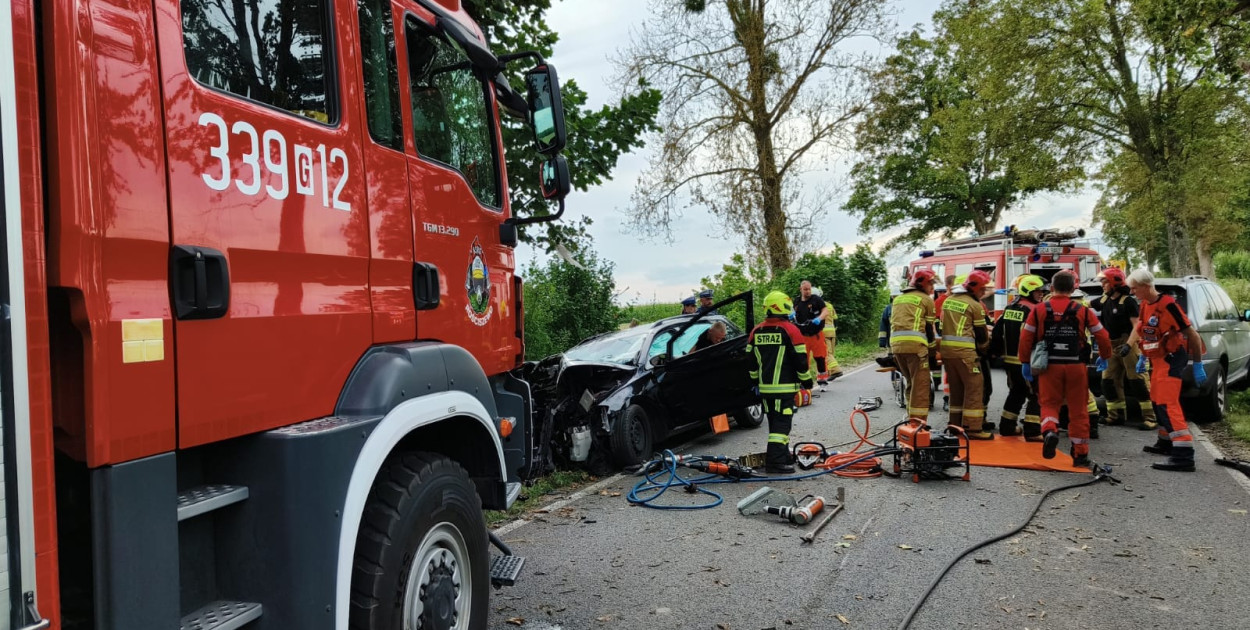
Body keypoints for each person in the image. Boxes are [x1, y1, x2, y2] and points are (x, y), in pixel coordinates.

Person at [1018, 271, 1112, 467]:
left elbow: (1026, 338)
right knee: (1079, 410)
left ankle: (1050, 430)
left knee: (1049, 404)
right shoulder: (1083, 310)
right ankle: (1080, 454)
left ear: (1051, 289)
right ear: (1073, 289)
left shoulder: (1039, 309)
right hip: (1076, 365)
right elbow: (1102, 336)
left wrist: (1025, 362)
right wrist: (1105, 356)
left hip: (1049, 366)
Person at [1126, 269, 1206, 472]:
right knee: (1157, 399)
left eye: (1135, 288)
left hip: (1172, 359)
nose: (1132, 291)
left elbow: (1193, 336)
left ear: (1146, 286)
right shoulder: (1145, 304)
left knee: (1167, 403)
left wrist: (1197, 364)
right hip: (1158, 358)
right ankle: (1165, 442)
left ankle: (1184, 456)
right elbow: (1143, 330)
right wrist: (1138, 352)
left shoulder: (1168, 305)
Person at [747, 291, 815, 473]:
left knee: (775, 423)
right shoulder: (791, 330)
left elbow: (750, 362)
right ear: (782, 306)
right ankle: (775, 463)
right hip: (784, 389)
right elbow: (800, 361)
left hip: (765, 389)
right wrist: (807, 382)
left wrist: (754, 382)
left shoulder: (756, 331)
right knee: (781, 426)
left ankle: (783, 456)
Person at [1092, 268, 1158, 431]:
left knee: (1137, 381)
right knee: (1108, 381)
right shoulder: (1104, 300)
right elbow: (1084, 306)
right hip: (1111, 347)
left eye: (1105, 281)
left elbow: (1137, 326)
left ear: (1115, 283)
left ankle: (1150, 417)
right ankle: (1115, 415)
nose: (1102, 285)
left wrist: (1128, 345)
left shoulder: (1127, 302)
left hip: (1129, 345)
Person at [990, 274, 1045, 440]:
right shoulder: (1033, 310)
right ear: (1028, 291)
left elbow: (997, 332)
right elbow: (1038, 335)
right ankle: (1033, 430)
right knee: (1037, 393)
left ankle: (1007, 427)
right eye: (1037, 292)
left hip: (1009, 362)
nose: (1041, 294)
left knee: (1016, 392)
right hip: (1027, 361)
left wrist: (995, 354)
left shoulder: (1009, 309)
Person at [940, 272, 994, 439]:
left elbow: (942, 327)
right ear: (974, 288)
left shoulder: (949, 301)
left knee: (956, 390)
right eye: (982, 289)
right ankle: (973, 428)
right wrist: (985, 348)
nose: (984, 292)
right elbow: (981, 334)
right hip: (966, 354)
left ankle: (955, 425)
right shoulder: (974, 305)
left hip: (948, 353)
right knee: (974, 388)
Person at [890, 271, 939, 423]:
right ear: (922, 284)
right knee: (921, 387)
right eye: (931, 283)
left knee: (911, 384)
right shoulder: (926, 299)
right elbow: (930, 330)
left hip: (897, 348)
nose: (933, 287)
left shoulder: (899, 299)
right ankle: (919, 426)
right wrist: (932, 352)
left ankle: (911, 421)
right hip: (916, 348)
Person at [794, 280, 833, 387]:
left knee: (820, 358)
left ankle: (822, 380)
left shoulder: (816, 299)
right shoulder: (797, 301)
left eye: (809, 289)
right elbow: (793, 312)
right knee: (803, 360)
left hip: (816, 334)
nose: (808, 292)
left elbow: (825, 311)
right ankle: (804, 382)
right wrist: (792, 314)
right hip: (802, 336)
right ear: (800, 289)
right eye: (805, 289)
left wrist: (819, 318)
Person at [817, 288, 845, 381]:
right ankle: (829, 372)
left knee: (826, 353)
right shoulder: (829, 305)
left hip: (823, 332)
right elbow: (835, 319)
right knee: (830, 353)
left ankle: (835, 370)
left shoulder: (816, 305)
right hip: (832, 332)